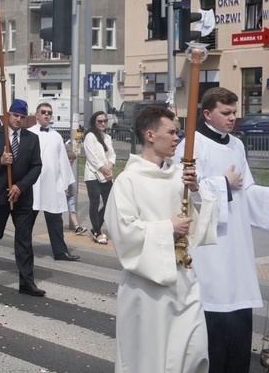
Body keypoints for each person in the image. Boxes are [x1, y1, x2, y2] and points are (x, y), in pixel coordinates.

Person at [174, 87, 269, 372]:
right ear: (207, 114)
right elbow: (184, 192)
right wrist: (223, 183)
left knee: (238, 315)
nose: (232, 118)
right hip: (208, 247)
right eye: (225, 113)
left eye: (234, 112)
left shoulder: (237, 145)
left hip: (236, 246)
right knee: (213, 320)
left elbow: (245, 189)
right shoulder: (191, 145)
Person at [105, 106, 218, 373]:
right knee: (150, 360)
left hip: (183, 279)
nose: (177, 138)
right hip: (147, 287)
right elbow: (122, 230)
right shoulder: (128, 181)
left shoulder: (179, 175)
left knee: (194, 351)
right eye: (171, 132)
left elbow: (199, 223)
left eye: (178, 132)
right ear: (150, 135)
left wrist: (196, 190)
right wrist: (167, 228)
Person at [0, 99, 44, 296]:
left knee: (24, 239)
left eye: (22, 117)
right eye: (15, 115)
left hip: (21, 196)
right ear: (8, 115)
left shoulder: (32, 138)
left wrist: (21, 186)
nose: (18, 120)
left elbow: (36, 166)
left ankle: (26, 282)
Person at [29, 103, 81, 261]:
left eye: (49, 113)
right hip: (33, 185)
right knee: (27, 220)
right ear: (36, 114)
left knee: (56, 220)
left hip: (52, 185)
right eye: (43, 112)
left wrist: (64, 185)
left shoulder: (57, 136)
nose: (46, 115)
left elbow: (63, 162)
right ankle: (23, 249)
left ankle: (60, 251)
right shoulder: (28, 133)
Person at [83, 111, 116, 245]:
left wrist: (109, 166)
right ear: (94, 122)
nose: (103, 123)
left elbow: (112, 154)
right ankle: (97, 232)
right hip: (93, 175)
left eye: (105, 121)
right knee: (95, 203)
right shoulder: (90, 136)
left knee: (110, 203)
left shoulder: (107, 137)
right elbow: (93, 158)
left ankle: (95, 227)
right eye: (100, 121)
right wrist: (104, 168)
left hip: (106, 175)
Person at [65, 147, 83, 232]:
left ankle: (77, 227)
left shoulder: (69, 168)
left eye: (73, 161)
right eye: (70, 161)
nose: (71, 163)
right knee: (59, 211)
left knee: (72, 210)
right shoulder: (63, 168)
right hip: (64, 192)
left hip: (70, 193)